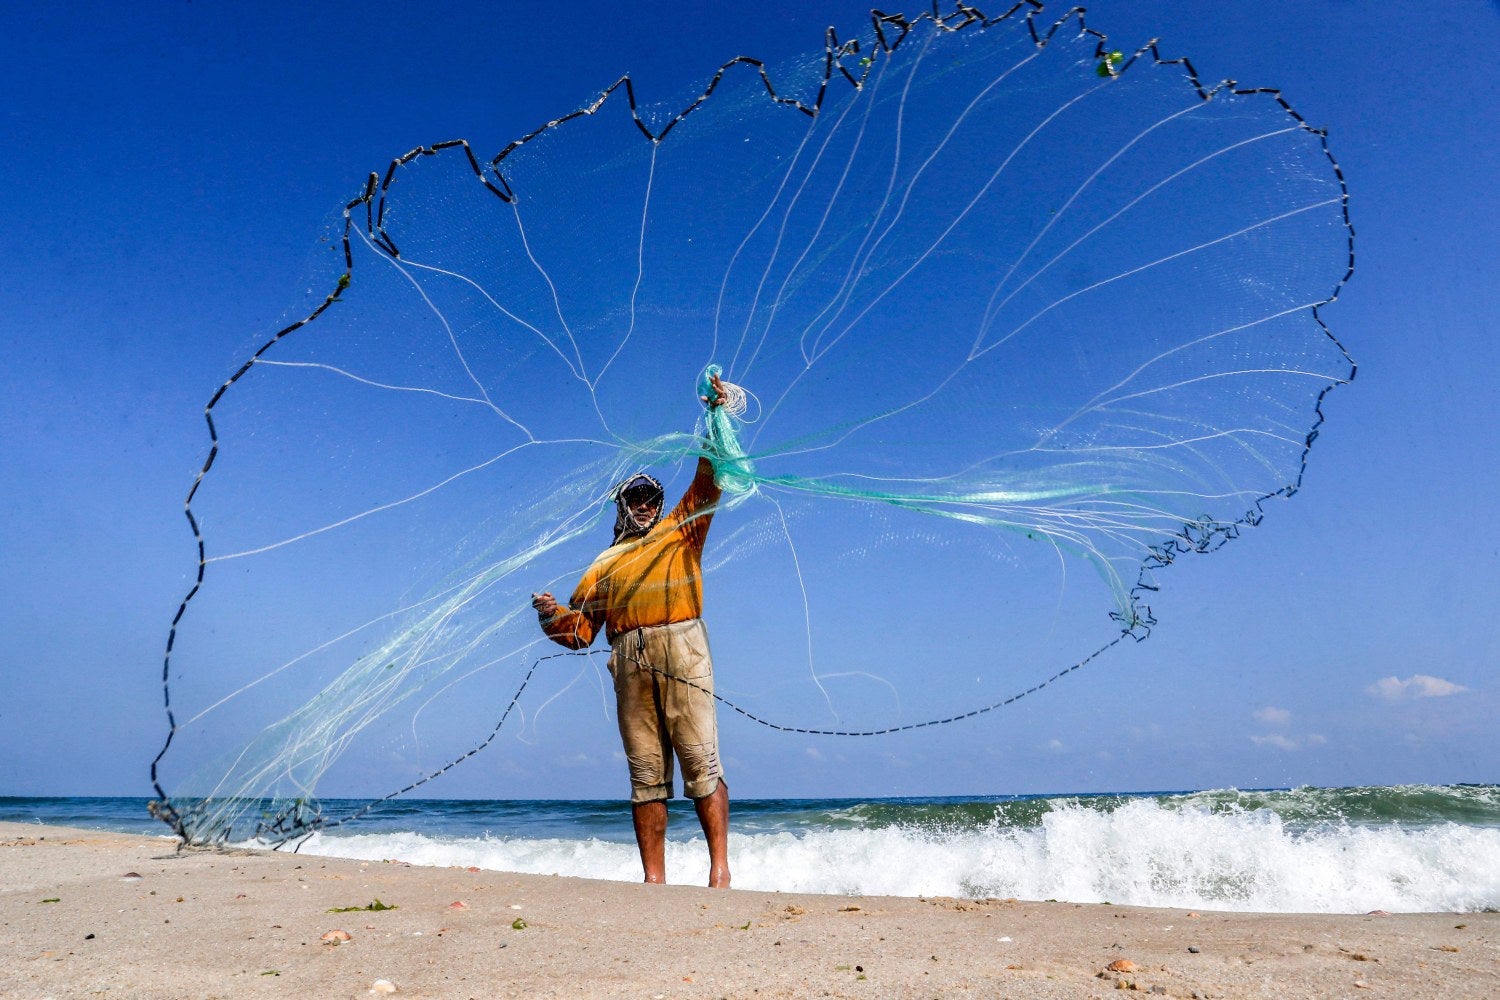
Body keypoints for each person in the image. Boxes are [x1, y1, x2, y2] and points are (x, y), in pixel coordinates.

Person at [531, 373, 732, 888]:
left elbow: (710, 479)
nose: (645, 505)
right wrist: (549, 614)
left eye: (651, 497)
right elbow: (580, 634)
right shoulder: (602, 563)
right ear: (621, 506)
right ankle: (654, 881)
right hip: (629, 661)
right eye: (635, 498)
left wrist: (716, 415)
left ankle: (721, 874)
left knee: (701, 762)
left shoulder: (683, 530)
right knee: (646, 775)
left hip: (683, 649)